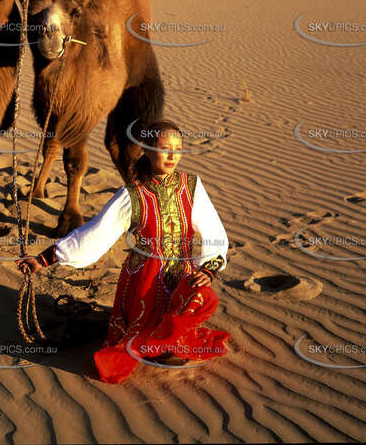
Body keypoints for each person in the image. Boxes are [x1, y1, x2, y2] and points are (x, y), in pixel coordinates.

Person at [17, 120, 229, 383]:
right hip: (144, 278)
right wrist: (42, 259)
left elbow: (213, 230)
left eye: (178, 148)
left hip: (182, 271)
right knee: (144, 327)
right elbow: (95, 234)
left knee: (205, 297)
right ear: (149, 151)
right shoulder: (132, 194)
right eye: (165, 148)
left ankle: (166, 342)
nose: (173, 155)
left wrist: (208, 269)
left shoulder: (192, 186)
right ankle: (156, 345)